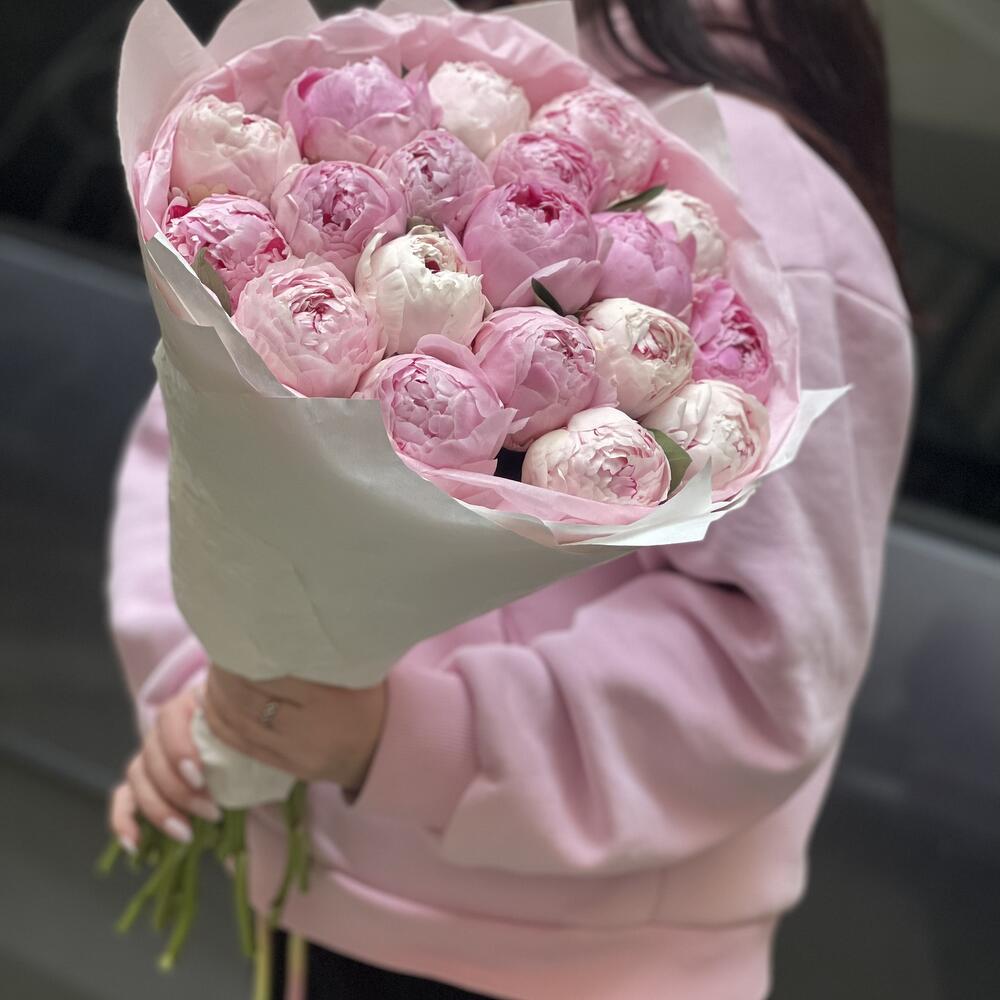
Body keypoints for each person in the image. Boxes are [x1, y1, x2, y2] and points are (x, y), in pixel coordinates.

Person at [106, 1, 914, 997]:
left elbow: (765, 655)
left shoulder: (754, 200)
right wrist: (220, 684)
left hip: (569, 961)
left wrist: (405, 737)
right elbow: (205, 424)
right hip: (318, 896)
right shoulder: (416, 81)